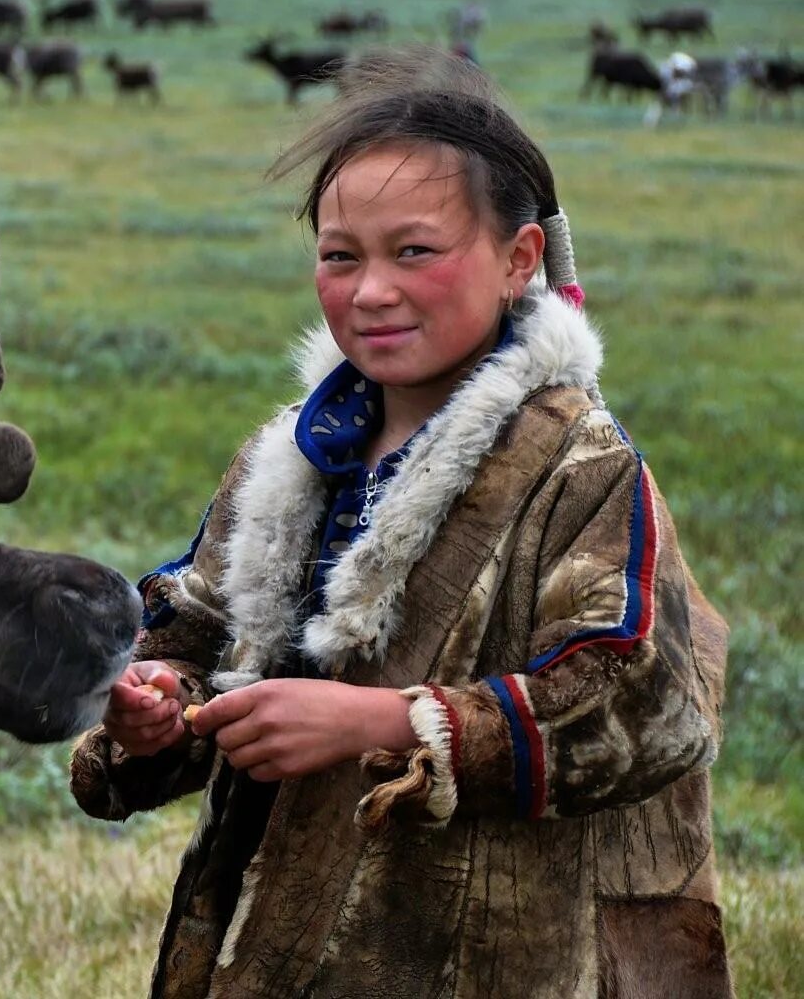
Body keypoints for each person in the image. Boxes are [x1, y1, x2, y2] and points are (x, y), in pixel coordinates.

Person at [69, 52, 730, 998]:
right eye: (340, 256)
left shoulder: (583, 465)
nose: (369, 290)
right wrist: (156, 703)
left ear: (519, 259)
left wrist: (380, 722)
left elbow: (644, 706)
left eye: (413, 251)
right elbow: (201, 628)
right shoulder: (292, 456)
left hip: (501, 949)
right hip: (288, 934)